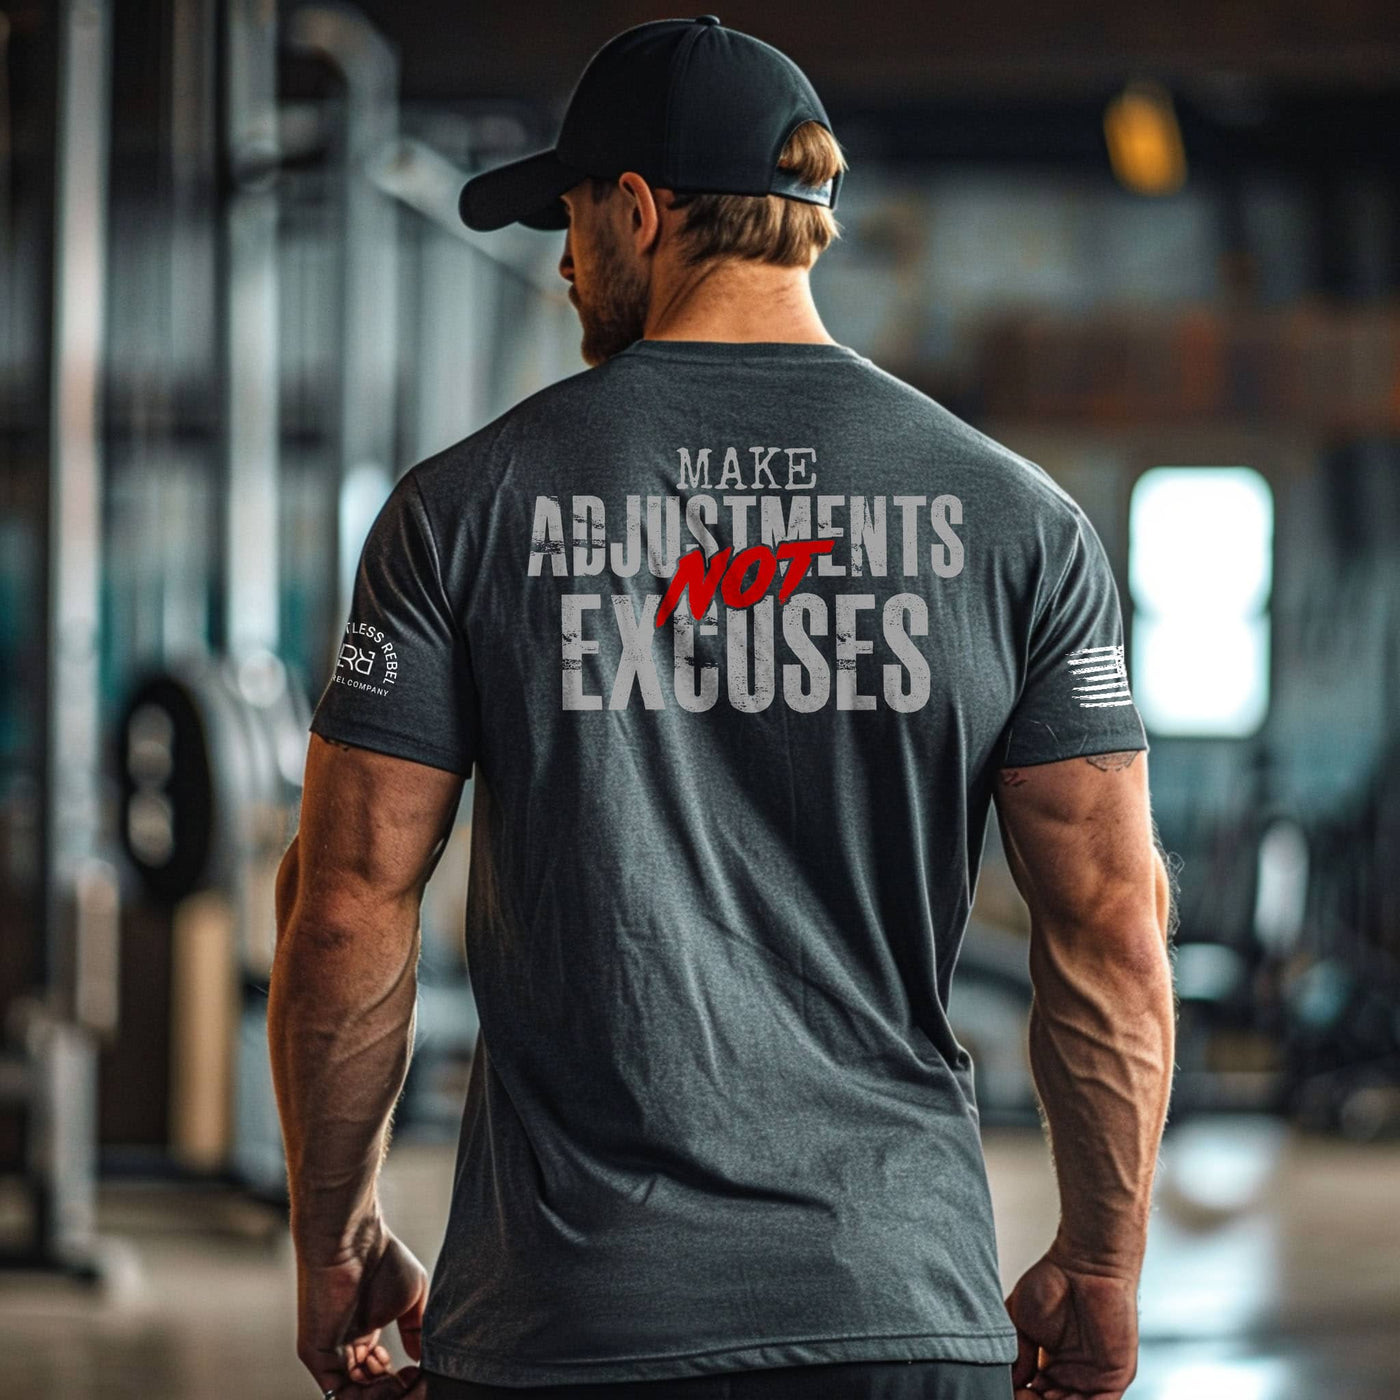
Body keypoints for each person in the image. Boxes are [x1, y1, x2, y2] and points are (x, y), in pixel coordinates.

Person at [268, 15, 1177, 1400]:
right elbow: (1113, 924)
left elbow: (343, 908)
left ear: (638, 209)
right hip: (893, 1312)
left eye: (571, 222)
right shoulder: (1023, 526)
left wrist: (335, 1240)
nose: (567, 265)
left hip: (571, 1327)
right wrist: (1104, 1264)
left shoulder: (461, 509)